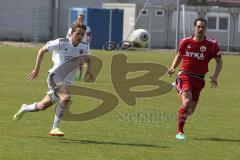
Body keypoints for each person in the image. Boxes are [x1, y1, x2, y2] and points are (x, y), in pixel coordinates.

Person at [13, 24, 91, 137]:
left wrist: (88, 71)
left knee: (41, 106)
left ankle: (25, 108)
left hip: (67, 82)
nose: (79, 36)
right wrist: (37, 69)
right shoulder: (61, 42)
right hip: (55, 76)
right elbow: (42, 50)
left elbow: (88, 60)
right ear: (71, 33)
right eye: (77, 33)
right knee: (66, 97)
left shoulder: (84, 46)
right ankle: (55, 128)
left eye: (82, 34)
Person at [168, 18, 223, 140]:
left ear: (205, 28)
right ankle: (180, 132)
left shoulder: (212, 44)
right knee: (186, 103)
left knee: (190, 111)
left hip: (199, 80)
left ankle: (177, 86)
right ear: (194, 27)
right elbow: (179, 55)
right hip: (185, 75)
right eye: (198, 27)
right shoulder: (185, 41)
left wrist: (215, 76)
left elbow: (219, 61)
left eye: (203, 27)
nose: (200, 29)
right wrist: (172, 68)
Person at [67, 14, 92, 81]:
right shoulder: (73, 28)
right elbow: (68, 36)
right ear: (77, 19)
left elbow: (90, 36)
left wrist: (89, 43)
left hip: (83, 46)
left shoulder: (87, 27)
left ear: (83, 19)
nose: (80, 19)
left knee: (86, 60)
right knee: (77, 61)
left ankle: (85, 74)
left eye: (82, 18)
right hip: (75, 46)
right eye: (79, 18)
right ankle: (79, 73)